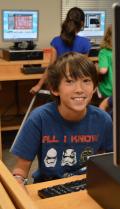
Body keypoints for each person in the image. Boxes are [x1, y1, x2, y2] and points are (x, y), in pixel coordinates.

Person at [11, 52, 113, 186]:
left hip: (86, 187)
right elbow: (20, 169)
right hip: (48, 187)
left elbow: (111, 161)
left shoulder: (103, 119)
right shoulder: (39, 118)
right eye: (70, 81)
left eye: (86, 81)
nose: (79, 89)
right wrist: (18, 182)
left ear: (94, 87)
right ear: (54, 89)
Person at [30, 7, 91, 94]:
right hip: (75, 88)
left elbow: (51, 66)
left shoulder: (56, 41)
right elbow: (82, 69)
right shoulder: (86, 43)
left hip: (59, 86)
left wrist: (38, 85)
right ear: (81, 23)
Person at [98, 25, 113, 98]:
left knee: (96, 83)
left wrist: (96, 67)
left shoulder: (104, 52)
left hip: (109, 90)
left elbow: (103, 70)